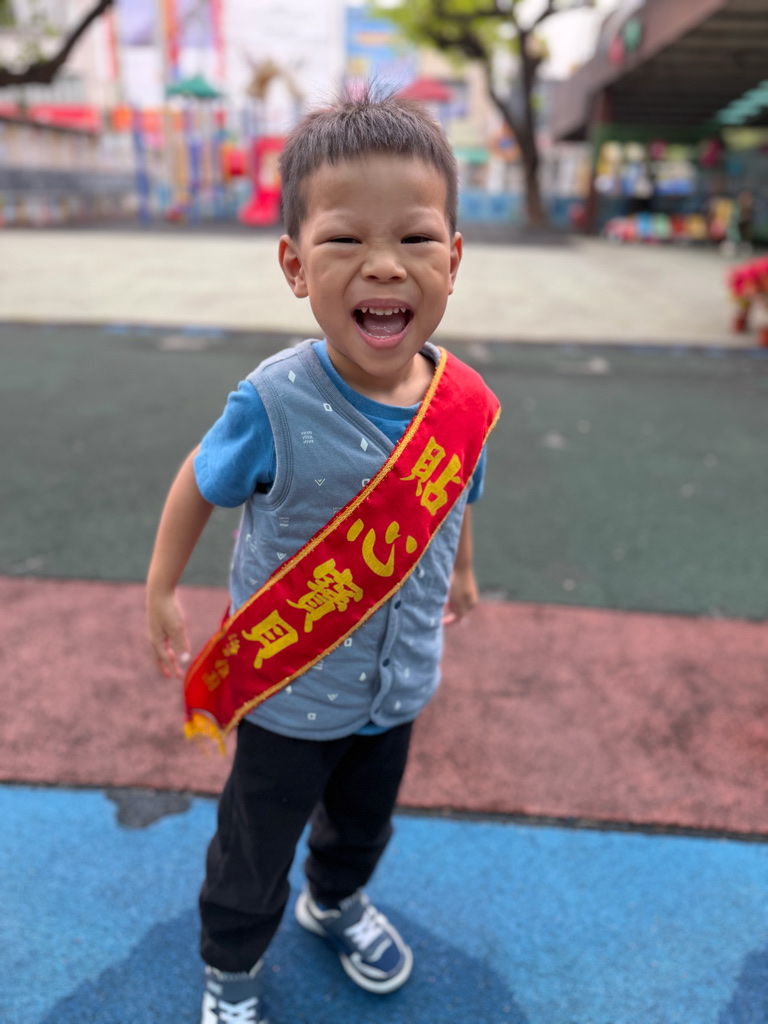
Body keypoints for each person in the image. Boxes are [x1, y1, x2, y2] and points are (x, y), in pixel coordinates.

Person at [146, 87, 499, 1024]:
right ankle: (231, 967)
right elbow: (199, 478)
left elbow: (456, 494)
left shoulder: (461, 403)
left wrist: (463, 569)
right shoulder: (273, 401)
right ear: (296, 265)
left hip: (400, 681)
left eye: (416, 238)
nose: (384, 264)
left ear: (454, 260)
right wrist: (161, 586)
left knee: (364, 821)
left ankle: (335, 901)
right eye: (346, 239)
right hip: (290, 691)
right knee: (255, 841)